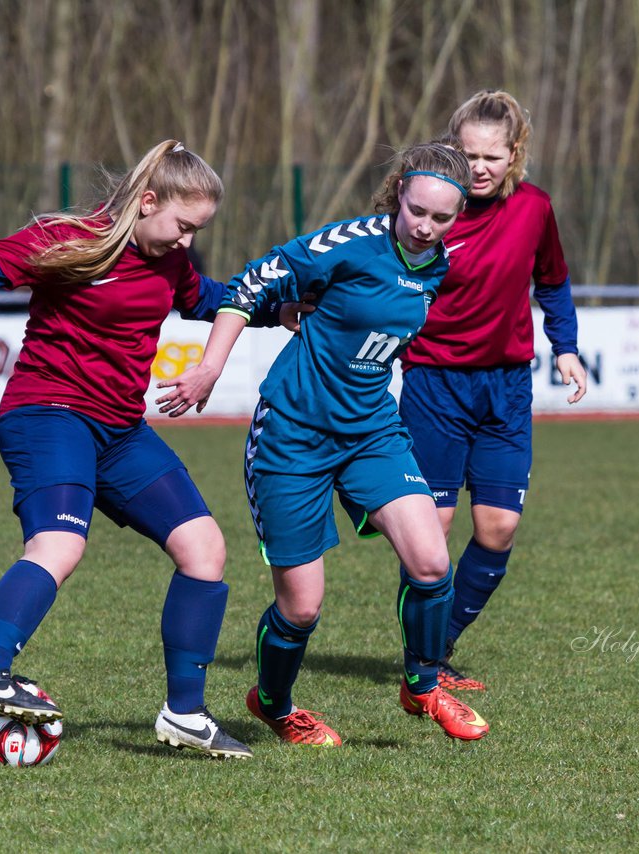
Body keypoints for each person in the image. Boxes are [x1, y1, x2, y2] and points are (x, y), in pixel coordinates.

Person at [0, 139, 297, 760]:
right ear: (148, 201)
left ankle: (185, 713)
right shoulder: (73, 237)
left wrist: (277, 309)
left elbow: (205, 299)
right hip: (48, 414)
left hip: (119, 430)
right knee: (59, 545)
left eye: (197, 230)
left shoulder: (168, 260)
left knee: (204, 549)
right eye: (182, 225)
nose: (187, 240)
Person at [160, 141, 491, 746]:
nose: (425, 226)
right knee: (302, 607)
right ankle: (274, 703)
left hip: (372, 432)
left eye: (441, 218)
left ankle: (421, 687)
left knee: (431, 561)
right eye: (416, 210)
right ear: (398, 195)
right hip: (292, 436)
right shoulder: (346, 244)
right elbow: (244, 290)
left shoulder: (440, 264)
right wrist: (209, 369)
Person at [398, 90, 587, 692]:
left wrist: (567, 348)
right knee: (432, 529)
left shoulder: (535, 209)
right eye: (468, 152)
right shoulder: (429, 211)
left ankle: (438, 647)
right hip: (434, 386)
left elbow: (552, 283)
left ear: (515, 155)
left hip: (506, 390)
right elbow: (373, 277)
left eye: (493, 156)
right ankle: (421, 664)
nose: (479, 167)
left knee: (499, 528)